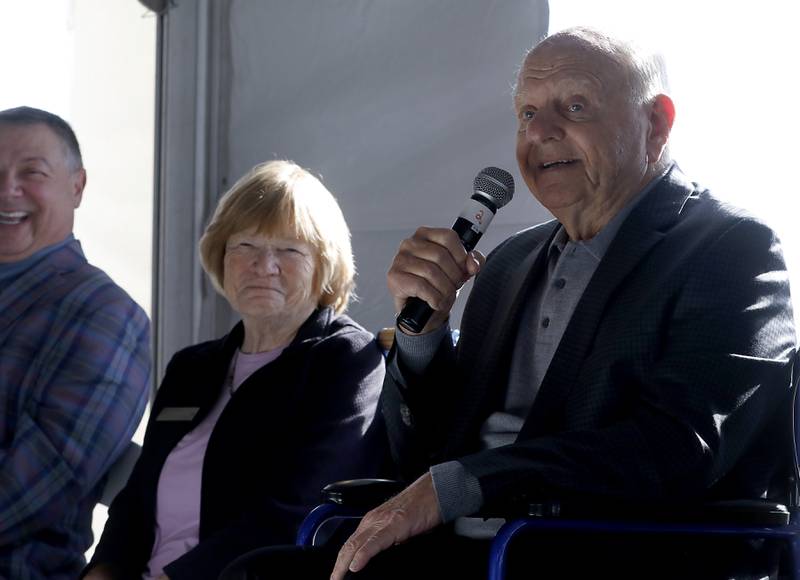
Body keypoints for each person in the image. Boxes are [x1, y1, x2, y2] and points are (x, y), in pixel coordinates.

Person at [223, 27, 797, 579]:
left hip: (607, 555)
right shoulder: (507, 264)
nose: (540, 131)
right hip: (467, 554)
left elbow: (680, 447)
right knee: (258, 572)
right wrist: (422, 336)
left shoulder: (731, 249)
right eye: (526, 113)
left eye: (574, 107)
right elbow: (423, 456)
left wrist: (472, 483)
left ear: (656, 123)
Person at [83, 159, 386, 580]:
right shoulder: (191, 367)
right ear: (220, 256)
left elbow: (298, 510)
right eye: (245, 246)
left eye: (289, 249)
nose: (264, 266)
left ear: (324, 265)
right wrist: (102, 572)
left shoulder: (347, 360)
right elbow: (137, 497)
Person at [0, 106, 151, 579]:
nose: (8, 189)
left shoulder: (106, 316)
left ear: (77, 186)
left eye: (32, 173)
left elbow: (27, 492)